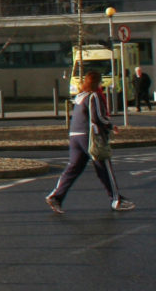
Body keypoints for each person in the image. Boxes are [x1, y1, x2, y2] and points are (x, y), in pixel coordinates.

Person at [46, 71, 134, 214]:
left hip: (75, 136)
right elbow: (98, 116)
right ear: (97, 83)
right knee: (104, 167)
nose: (101, 85)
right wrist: (111, 126)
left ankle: (56, 196)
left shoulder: (80, 96)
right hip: (89, 137)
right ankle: (116, 200)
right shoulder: (94, 96)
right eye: (100, 82)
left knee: (74, 167)